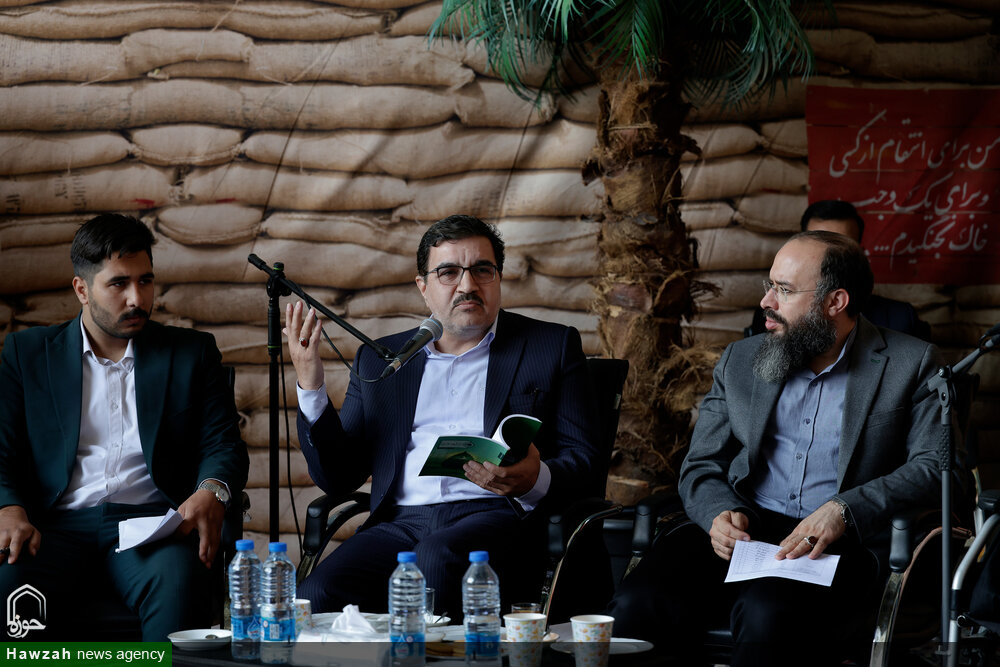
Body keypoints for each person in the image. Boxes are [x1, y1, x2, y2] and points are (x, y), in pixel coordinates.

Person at [608, 231, 954, 666]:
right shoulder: (741, 359)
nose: (766, 302)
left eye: (784, 290)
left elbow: (937, 466)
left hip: (839, 541)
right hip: (745, 528)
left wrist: (843, 510)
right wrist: (719, 513)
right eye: (769, 285)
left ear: (835, 302)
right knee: (637, 601)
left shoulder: (913, 363)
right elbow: (701, 463)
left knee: (766, 614)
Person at [285, 214, 599, 616]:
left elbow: (585, 460)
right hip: (400, 523)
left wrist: (534, 479)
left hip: (496, 516)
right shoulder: (381, 360)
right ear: (424, 288)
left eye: (482, 270)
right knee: (317, 594)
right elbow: (339, 477)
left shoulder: (549, 346)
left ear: (499, 278)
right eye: (449, 272)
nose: (467, 286)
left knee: (436, 559)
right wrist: (311, 385)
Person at [0, 214, 249, 641]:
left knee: (178, 585)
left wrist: (212, 489)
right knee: (8, 588)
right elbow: (2, 448)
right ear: (82, 289)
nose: (137, 298)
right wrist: (7, 508)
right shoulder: (29, 354)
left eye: (145, 281)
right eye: (118, 283)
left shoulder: (190, 353)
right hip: (53, 527)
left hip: (151, 529)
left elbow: (222, 443)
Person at [747, 200, 931, 340]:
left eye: (840, 246)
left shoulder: (899, 318)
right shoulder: (772, 315)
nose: (830, 255)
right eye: (818, 243)